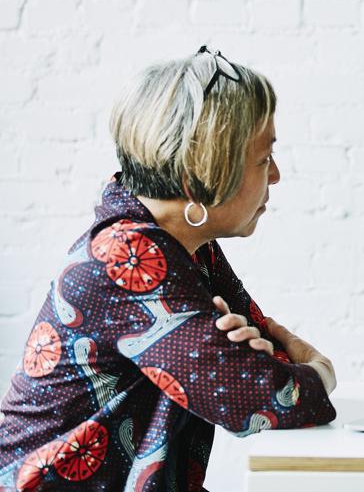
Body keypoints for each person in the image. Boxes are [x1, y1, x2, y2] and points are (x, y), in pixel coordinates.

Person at [0, 47, 337, 491]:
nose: (275, 175)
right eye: (262, 159)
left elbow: (263, 359)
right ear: (203, 171)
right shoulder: (127, 257)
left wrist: (264, 364)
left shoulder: (188, 248)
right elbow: (262, 397)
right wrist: (320, 369)